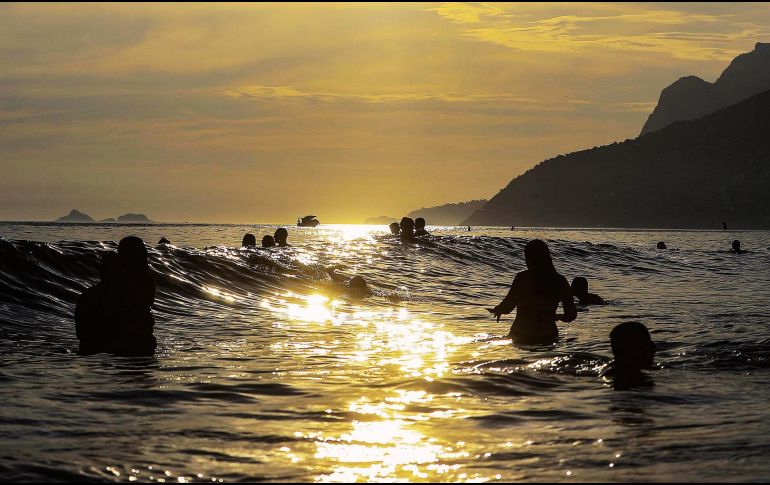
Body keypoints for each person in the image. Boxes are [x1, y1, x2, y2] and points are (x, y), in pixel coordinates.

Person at [75, 236, 157, 356]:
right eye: (142, 255)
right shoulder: (127, 286)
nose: (145, 258)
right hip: (116, 346)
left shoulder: (139, 282)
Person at [488, 239, 577, 343]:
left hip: (522, 335)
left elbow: (508, 307)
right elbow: (571, 315)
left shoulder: (523, 278)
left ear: (530, 258)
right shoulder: (560, 281)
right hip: (549, 336)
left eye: (527, 257)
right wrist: (556, 317)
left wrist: (498, 309)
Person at [601, 322, 655, 388]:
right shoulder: (626, 377)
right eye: (646, 341)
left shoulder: (626, 368)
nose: (653, 345)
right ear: (631, 346)